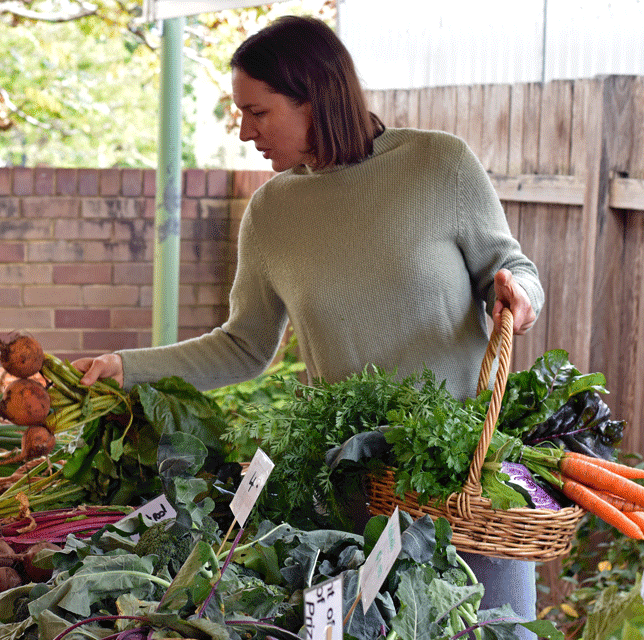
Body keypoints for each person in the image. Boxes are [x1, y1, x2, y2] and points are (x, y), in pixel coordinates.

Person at [73, 14, 542, 638]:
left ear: (315, 96)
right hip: (356, 498)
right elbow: (243, 346)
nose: (244, 133)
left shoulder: (438, 165)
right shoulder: (271, 211)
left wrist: (521, 294)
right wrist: (128, 367)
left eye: (257, 113)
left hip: (466, 487)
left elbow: (507, 268)